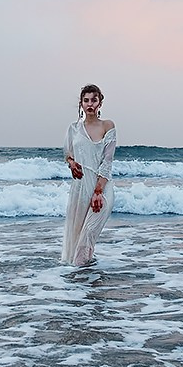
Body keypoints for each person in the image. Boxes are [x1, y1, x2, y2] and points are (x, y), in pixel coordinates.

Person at [62, 84, 117, 266]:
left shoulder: (107, 126)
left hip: (101, 189)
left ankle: (79, 280)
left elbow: (107, 162)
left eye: (94, 100)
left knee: (87, 235)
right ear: (81, 104)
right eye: (86, 100)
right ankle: (85, 285)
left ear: (100, 103)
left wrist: (98, 192)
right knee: (78, 239)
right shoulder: (74, 129)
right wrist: (71, 164)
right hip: (80, 190)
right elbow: (68, 154)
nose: (90, 104)